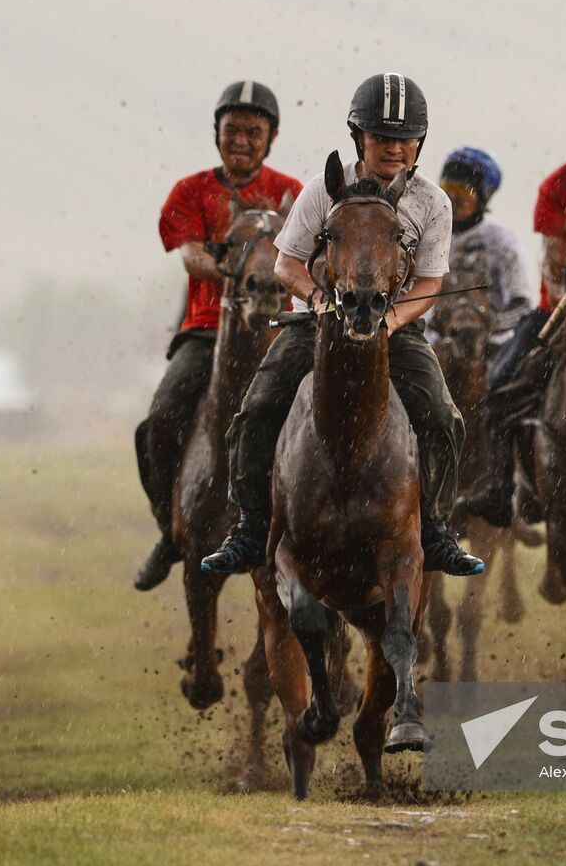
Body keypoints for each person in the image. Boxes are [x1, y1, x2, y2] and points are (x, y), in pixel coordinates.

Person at [201, 72, 484, 578]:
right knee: (256, 408)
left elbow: (429, 283)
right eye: (382, 137)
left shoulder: (433, 203)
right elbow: (286, 264)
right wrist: (318, 302)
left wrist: (392, 321)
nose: (395, 149)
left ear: (420, 142)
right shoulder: (320, 191)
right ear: (359, 138)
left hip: (393, 327)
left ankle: (437, 530)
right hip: (318, 324)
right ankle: (248, 527)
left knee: (443, 416)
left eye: (405, 139)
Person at [134, 81, 304, 591]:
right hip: (209, 332)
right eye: (233, 131)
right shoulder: (189, 192)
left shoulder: (294, 194)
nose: (242, 141)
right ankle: (172, 530)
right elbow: (189, 254)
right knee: (161, 417)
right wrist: (237, 274)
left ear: (271, 137)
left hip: (280, 330)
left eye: (254, 132)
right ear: (217, 134)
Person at [460, 100, 566, 527]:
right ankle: (503, 489)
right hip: (559, 306)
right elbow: (554, 262)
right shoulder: (559, 185)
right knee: (500, 381)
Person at [434, 146, 537, 346]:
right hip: (435, 343)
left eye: (463, 190)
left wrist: (484, 328)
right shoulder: (428, 238)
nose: (452, 197)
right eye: (448, 187)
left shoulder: (503, 243)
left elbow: (522, 304)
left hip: (491, 346)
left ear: (484, 195)